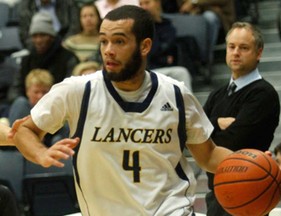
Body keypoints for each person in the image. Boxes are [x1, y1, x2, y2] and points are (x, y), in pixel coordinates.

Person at [13, 5, 236, 215]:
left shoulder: (176, 93)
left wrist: (249, 162)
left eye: (119, 41)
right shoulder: (77, 91)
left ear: (145, 46)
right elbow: (25, 130)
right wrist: (41, 154)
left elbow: (208, 155)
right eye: (103, 41)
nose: (108, 50)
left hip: (171, 209)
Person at [203, 22, 280, 216]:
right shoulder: (217, 94)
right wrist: (217, 123)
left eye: (244, 48)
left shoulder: (263, 94)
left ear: (259, 53)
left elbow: (234, 142)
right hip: (217, 193)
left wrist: (208, 129)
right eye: (231, 47)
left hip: (249, 193)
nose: (236, 52)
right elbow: (191, 136)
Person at [8, 11, 79, 102]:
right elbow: (14, 91)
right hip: (29, 108)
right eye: (35, 36)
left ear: (51, 37)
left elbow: (71, 90)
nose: (38, 40)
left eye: (42, 35)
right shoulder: (26, 60)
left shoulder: (68, 59)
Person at [139, 0, 193, 92]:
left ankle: (188, 106)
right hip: (143, 71)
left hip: (162, 69)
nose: (144, 7)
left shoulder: (167, 26)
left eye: (147, 3)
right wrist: (164, 59)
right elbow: (150, 53)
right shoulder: (138, 28)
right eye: (141, 4)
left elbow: (167, 48)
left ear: (157, 3)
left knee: (182, 72)